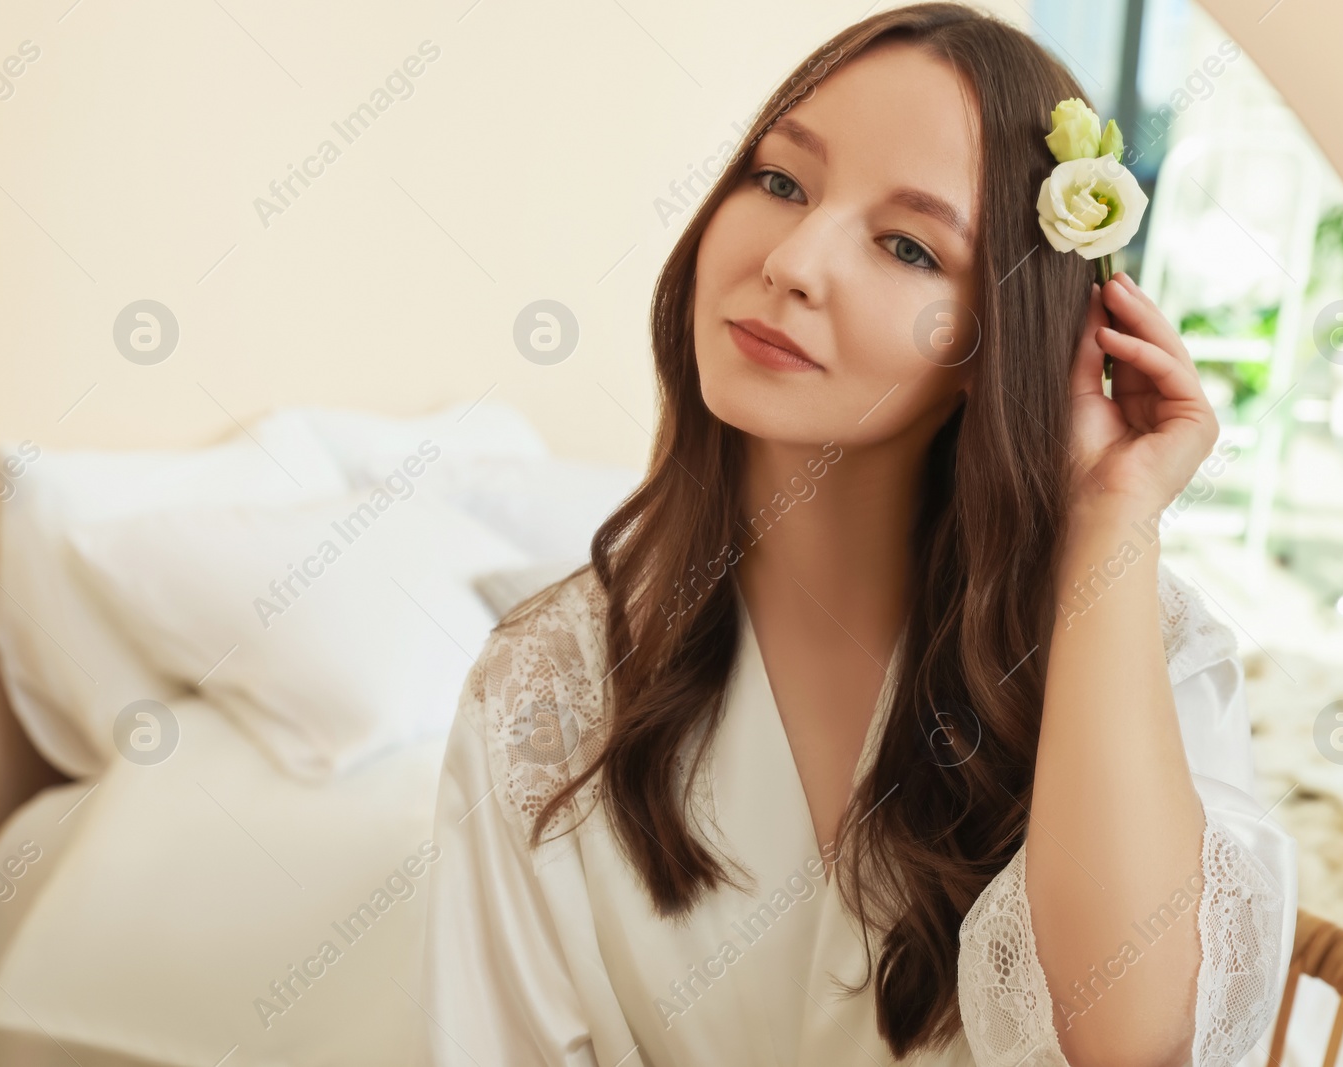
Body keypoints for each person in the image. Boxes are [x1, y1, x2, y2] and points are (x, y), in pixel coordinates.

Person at [419, 4, 1297, 1065]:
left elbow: (1134, 1041)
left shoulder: (1127, 636)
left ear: (997, 337)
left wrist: (1109, 524)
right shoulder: (544, 686)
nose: (792, 259)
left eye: (905, 244)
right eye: (780, 181)